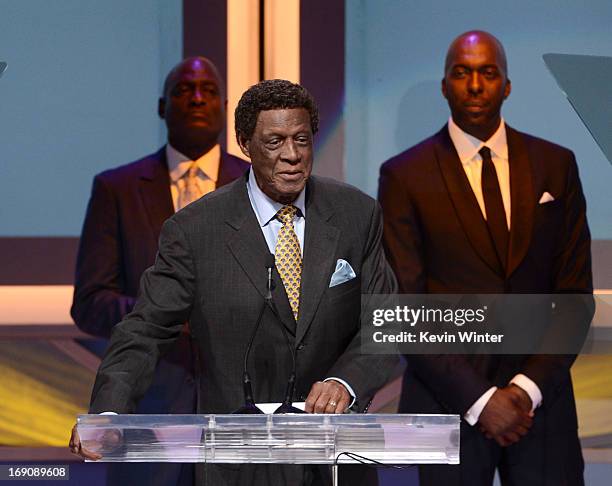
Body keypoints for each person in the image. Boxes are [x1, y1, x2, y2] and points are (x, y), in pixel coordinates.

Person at [70, 79, 397, 486]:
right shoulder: (195, 230)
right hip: (236, 462)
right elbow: (144, 329)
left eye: (301, 139)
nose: (292, 155)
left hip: (334, 460)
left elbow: (387, 323)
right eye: (275, 141)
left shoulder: (356, 213)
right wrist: (110, 411)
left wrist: (345, 381)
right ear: (245, 143)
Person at [378, 31, 593, 485]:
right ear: (444, 86)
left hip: (542, 408)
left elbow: (574, 298)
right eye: (462, 72)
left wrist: (524, 390)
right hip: (448, 405)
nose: (475, 84)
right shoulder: (403, 176)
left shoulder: (557, 165)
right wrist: (480, 400)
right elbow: (405, 310)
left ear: (507, 86)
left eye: (488, 72)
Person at [71, 57, 249, 486]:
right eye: (184, 90)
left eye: (208, 90)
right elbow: (90, 303)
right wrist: (165, 314)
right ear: (161, 106)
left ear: (224, 107)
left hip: (241, 417)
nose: (197, 98)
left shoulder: (258, 186)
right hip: (146, 416)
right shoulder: (116, 189)